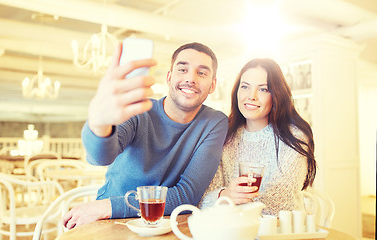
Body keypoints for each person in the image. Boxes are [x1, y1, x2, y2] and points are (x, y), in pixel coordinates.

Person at [63, 41, 228, 229]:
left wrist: (108, 206)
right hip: (110, 221)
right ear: (169, 77)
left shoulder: (215, 122)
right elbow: (100, 158)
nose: (191, 78)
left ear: (213, 85)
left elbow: (187, 195)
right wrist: (99, 124)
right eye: (182, 69)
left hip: (158, 222)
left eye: (202, 73)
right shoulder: (139, 110)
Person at [199, 58, 316, 215]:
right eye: (245, 86)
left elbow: (280, 202)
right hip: (235, 230)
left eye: (263, 89)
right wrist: (225, 195)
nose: (251, 96)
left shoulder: (294, 137)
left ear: (277, 95)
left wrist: (229, 200)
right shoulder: (224, 135)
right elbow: (204, 199)